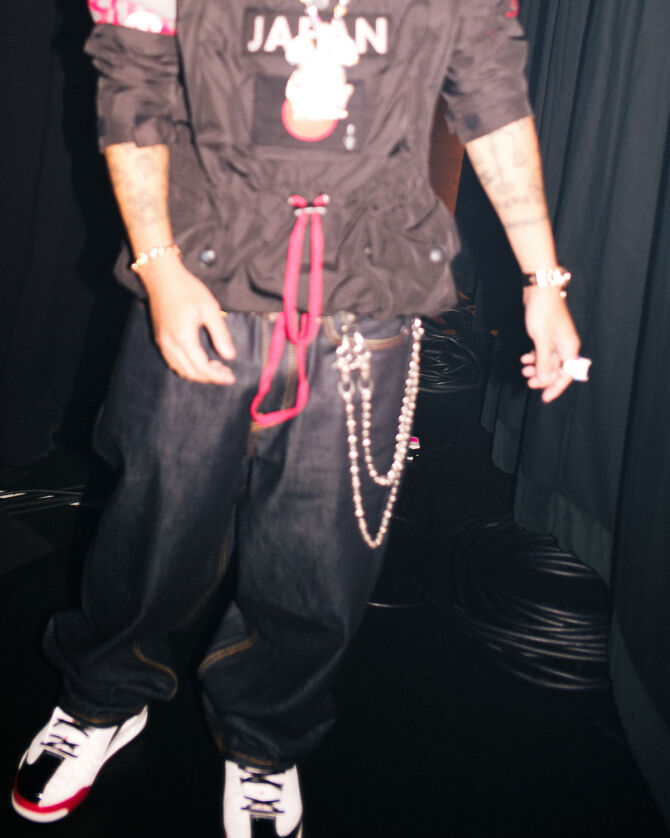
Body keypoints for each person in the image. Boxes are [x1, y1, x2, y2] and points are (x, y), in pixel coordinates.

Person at [11, 1, 582, 835]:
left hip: (367, 297)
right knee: (153, 522)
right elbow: (133, 83)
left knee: (321, 555)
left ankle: (265, 739)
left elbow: (491, 96)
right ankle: (102, 697)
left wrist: (543, 280)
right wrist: (159, 268)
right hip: (202, 279)